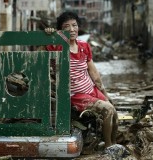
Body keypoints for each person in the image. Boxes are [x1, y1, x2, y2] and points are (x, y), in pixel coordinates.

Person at [44, 11, 118, 148]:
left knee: (114, 112)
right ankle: (108, 147)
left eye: (74, 25)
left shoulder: (84, 46)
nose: (72, 29)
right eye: (67, 26)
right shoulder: (57, 46)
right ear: (61, 30)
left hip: (91, 89)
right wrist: (49, 34)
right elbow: (40, 49)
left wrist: (105, 94)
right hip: (75, 95)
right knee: (107, 109)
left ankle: (114, 144)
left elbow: (94, 73)